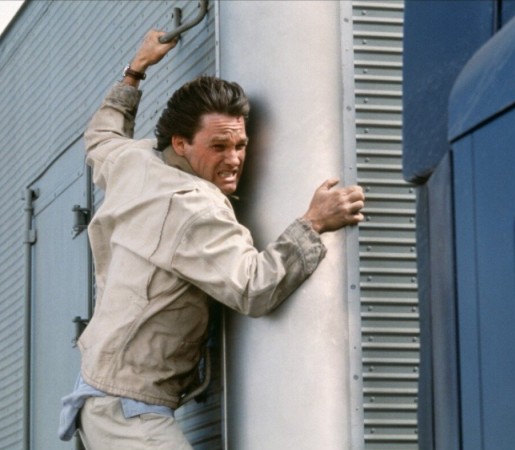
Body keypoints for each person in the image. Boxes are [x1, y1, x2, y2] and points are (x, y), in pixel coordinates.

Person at [58, 29, 365, 449]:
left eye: (240, 144)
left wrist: (136, 69)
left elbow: (101, 137)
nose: (234, 159)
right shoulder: (196, 209)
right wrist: (313, 223)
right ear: (181, 144)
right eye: (219, 146)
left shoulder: (136, 161)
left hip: (100, 397)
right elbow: (254, 288)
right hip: (129, 414)